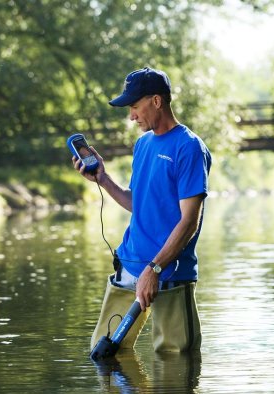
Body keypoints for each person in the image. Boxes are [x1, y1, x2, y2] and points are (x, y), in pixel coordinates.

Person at [74, 67, 211, 352]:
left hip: (171, 276)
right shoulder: (142, 144)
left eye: (135, 107)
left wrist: (155, 268)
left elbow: (189, 221)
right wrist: (103, 178)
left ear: (157, 101)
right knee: (102, 356)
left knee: (176, 362)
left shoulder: (189, 148)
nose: (132, 115)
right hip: (130, 267)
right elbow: (139, 204)